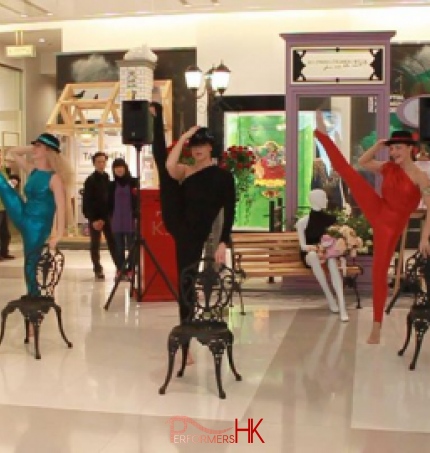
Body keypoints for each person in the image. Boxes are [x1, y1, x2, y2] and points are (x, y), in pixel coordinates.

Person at [315, 111, 430, 344]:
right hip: (378, 208)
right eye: (392, 148)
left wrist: (425, 238)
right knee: (347, 171)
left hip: (391, 226)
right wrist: (378, 145)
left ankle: (377, 325)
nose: (394, 152)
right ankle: (322, 136)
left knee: (379, 271)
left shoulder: (421, 177)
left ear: (410, 149)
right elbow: (362, 163)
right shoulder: (388, 167)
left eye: (398, 148)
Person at [149, 102, 236, 325]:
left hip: (197, 230)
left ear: (210, 148)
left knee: (186, 280)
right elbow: (169, 164)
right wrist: (185, 135)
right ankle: (156, 118)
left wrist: (223, 242)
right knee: (162, 163)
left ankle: (187, 327)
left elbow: (229, 209)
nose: (197, 149)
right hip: (179, 221)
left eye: (202, 145)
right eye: (193, 145)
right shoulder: (186, 170)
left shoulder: (223, 176)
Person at [2, 133, 70, 296]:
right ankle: (33, 299)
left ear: (48, 151)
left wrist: (58, 234)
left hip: (38, 225)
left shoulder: (54, 179)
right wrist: (34, 146)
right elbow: (13, 152)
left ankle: (34, 299)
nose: (34, 149)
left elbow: (61, 207)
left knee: (30, 263)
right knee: (3, 186)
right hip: (24, 212)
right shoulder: (33, 171)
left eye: (38, 146)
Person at [296, 189, 349, 322]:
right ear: (315, 200)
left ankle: (342, 306)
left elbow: (337, 237)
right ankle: (329, 297)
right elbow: (303, 246)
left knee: (331, 261)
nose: (326, 200)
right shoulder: (303, 222)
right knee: (313, 255)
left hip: (327, 254)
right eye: (324, 198)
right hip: (311, 254)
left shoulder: (330, 220)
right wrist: (316, 248)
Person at [82, 152, 118, 280]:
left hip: (106, 217)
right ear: (94, 163)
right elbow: (87, 201)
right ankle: (97, 268)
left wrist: (108, 215)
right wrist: (93, 219)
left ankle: (119, 267)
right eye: (99, 162)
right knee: (95, 244)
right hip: (95, 218)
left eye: (103, 161)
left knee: (112, 242)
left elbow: (108, 199)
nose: (101, 164)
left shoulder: (107, 177)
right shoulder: (90, 180)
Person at [108, 157, 137, 280]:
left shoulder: (134, 182)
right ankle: (120, 269)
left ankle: (131, 269)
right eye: (116, 168)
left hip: (130, 218)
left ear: (125, 168)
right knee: (118, 247)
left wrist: (136, 215)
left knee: (131, 246)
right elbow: (108, 202)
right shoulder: (112, 185)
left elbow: (137, 200)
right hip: (116, 218)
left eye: (121, 167)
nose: (119, 170)